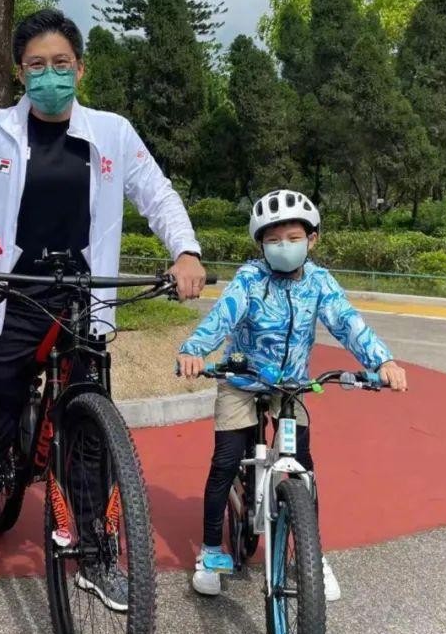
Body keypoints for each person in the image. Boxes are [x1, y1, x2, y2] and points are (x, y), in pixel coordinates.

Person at [0, 8, 207, 617]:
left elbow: (156, 194)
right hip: (12, 294)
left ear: (79, 67)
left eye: (61, 64)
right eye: (36, 66)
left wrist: (184, 250)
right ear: (19, 72)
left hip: (84, 297)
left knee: (90, 435)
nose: (49, 76)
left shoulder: (113, 131)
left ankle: (97, 553)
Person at [175, 190, 409, 600]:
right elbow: (221, 317)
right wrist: (194, 351)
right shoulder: (249, 279)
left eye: (293, 237)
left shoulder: (319, 282)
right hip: (242, 381)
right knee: (226, 462)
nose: (284, 246)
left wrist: (382, 361)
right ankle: (212, 551)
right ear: (260, 245)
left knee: (302, 468)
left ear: (312, 239)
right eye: (274, 239)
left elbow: (347, 322)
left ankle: (310, 555)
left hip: (291, 387)